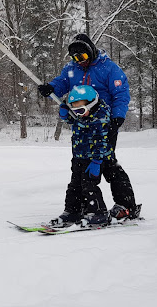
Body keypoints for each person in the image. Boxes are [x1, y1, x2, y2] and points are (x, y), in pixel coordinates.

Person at [39, 33, 140, 221]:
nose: (79, 61)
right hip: (81, 124)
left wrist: (117, 117)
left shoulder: (109, 69)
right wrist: (51, 87)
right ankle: (79, 207)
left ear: (91, 51)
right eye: (75, 58)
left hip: (104, 124)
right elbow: (62, 82)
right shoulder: (72, 69)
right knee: (79, 166)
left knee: (107, 164)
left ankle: (125, 205)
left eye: (83, 57)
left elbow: (121, 94)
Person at [49, 85, 112, 227]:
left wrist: (97, 161)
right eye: (74, 110)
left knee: (89, 186)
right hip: (78, 157)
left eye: (80, 110)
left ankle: (99, 213)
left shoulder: (100, 117)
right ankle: (73, 211)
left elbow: (101, 142)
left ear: (92, 103)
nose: (78, 114)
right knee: (74, 186)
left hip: (93, 159)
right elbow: (78, 121)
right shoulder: (84, 115)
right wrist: (66, 116)